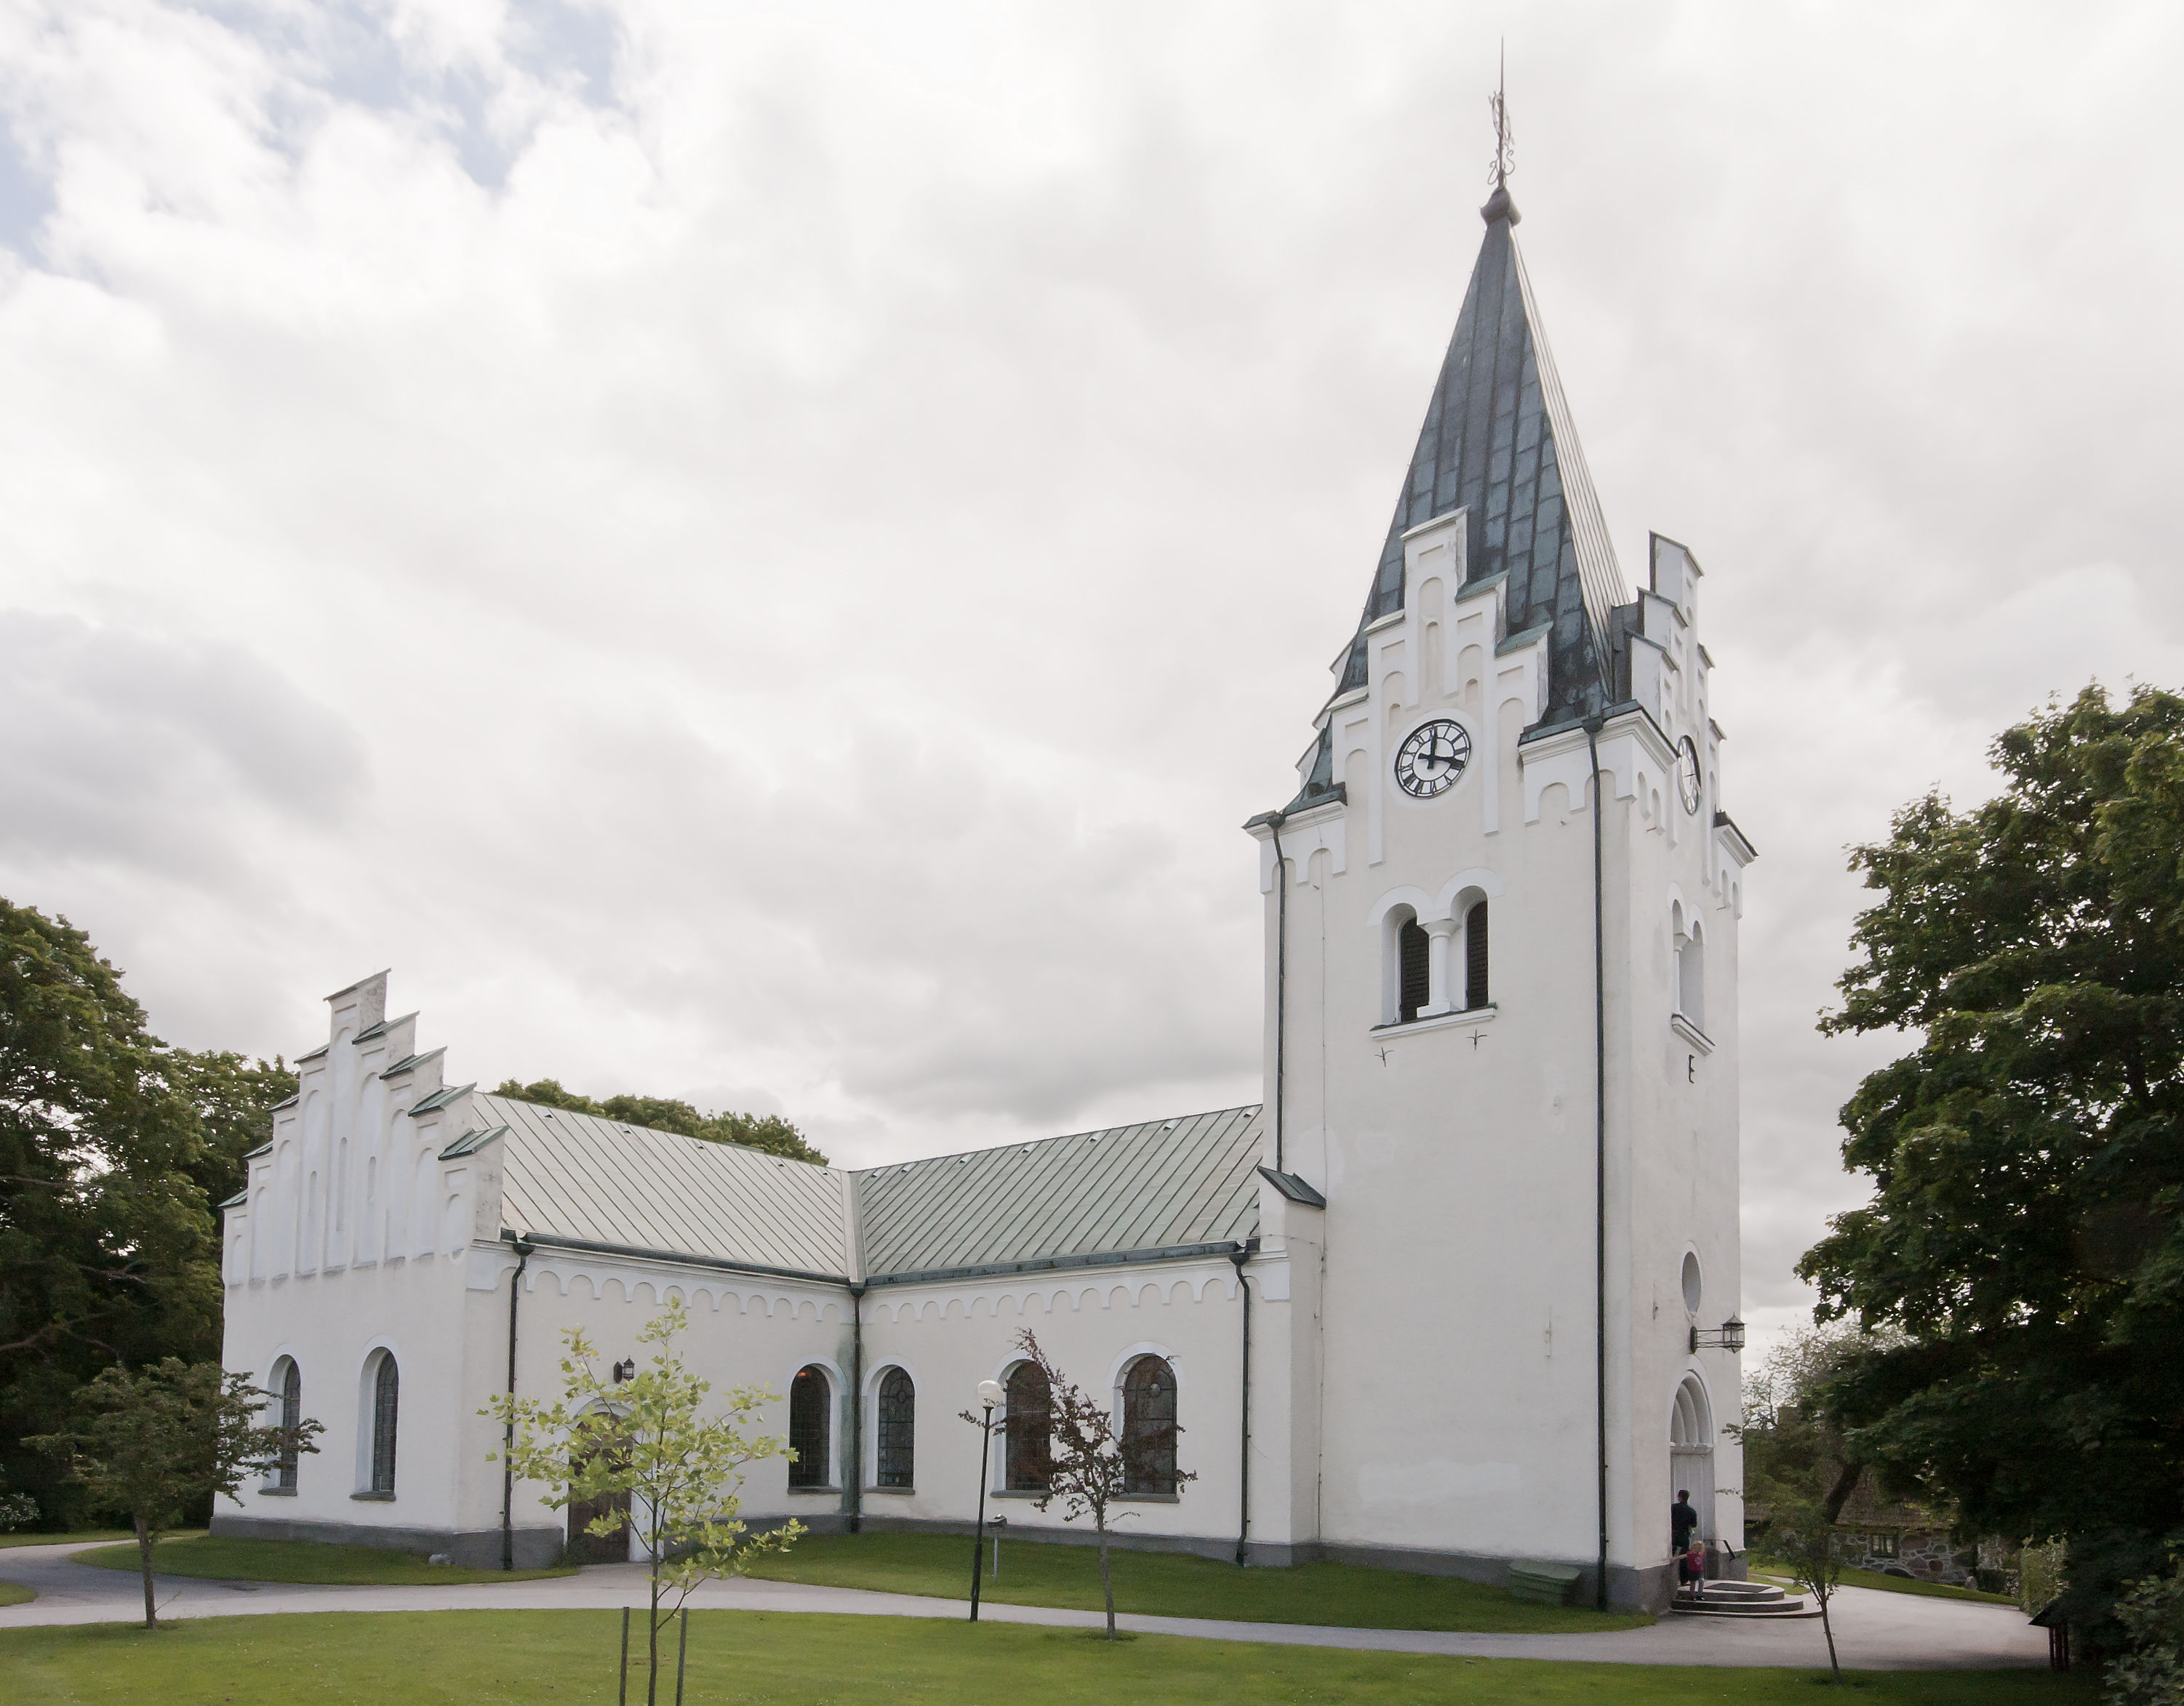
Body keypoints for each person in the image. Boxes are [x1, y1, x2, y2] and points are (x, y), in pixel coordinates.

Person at [1672, 1489, 1702, 1595]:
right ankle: (1684, 1579)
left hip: (1674, 1535)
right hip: (1684, 1535)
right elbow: (1694, 1525)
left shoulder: (1673, 1508)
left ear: (1680, 1497)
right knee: (1684, 1557)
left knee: (1672, 1555)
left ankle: (1671, 1578)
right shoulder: (1691, 1511)